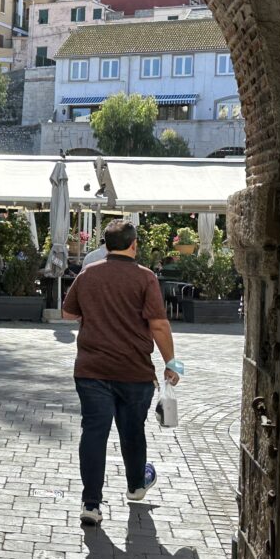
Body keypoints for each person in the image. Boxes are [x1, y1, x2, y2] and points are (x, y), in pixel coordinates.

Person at [61, 220, 184, 526]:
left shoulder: (89, 273)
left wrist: (95, 313)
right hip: (134, 370)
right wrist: (170, 361)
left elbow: (67, 313)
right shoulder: (145, 277)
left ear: (105, 245)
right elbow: (158, 324)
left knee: (94, 432)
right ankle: (135, 485)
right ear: (134, 245)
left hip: (91, 368)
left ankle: (91, 504)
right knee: (132, 430)